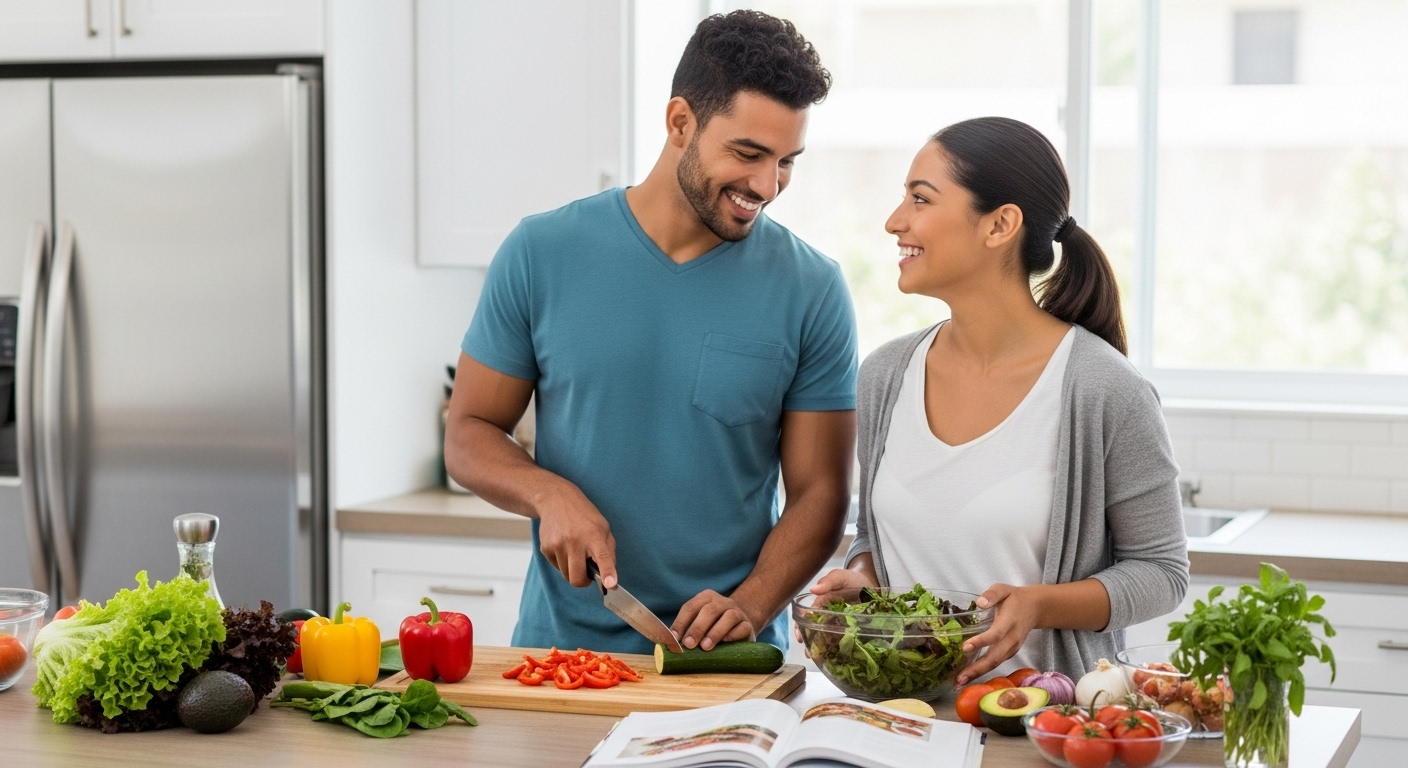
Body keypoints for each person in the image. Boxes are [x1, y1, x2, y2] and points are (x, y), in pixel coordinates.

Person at [445, 11, 858, 655]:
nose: (766, 186)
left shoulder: (812, 288)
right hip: (560, 658)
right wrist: (547, 493)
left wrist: (749, 605)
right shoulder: (542, 251)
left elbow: (821, 494)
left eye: (786, 162)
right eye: (748, 154)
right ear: (680, 123)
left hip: (728, 667)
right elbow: (468, 433)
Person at [809, 117, 1188, 683]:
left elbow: (1162, 573)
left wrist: (1041, 604)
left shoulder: (1103, 389)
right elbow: (876, 534)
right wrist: (866, 574)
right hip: (898, 719)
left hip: (1036, 724)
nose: (894, 221)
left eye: (920, 198)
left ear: (1000, 225)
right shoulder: (887, 374)